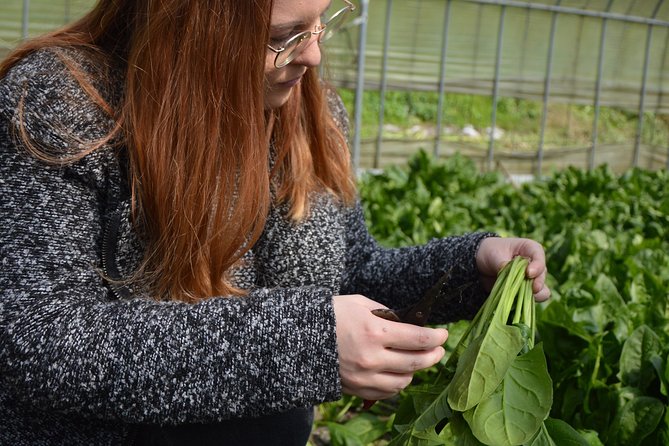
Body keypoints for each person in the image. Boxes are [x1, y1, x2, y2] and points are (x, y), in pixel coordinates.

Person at [0, 0, 550, 444]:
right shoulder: (63, 102)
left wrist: (468, 270)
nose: (311, 56)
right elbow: (42, 344)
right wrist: (303, 344)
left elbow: (350, 275)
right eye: (283, 35)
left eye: (321, 24)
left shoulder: (307, 110)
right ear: (191, 23)